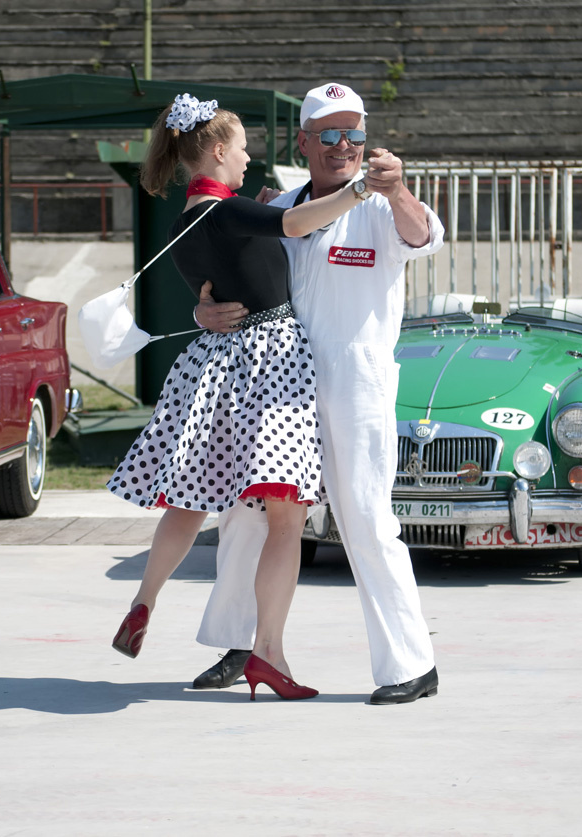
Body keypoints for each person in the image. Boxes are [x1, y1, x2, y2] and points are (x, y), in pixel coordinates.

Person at [107, 93, 368, 701]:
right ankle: (269, 652)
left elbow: (212, 291)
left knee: (191, 498)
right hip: (269, 364)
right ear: (219, 151)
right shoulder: (229, 213)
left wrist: (203, 310)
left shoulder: (182, 225)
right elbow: (298, 222)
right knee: (286, 516)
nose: (250, 161)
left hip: (212, 368)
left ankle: (145, 599)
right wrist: (360, 190)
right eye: (245, 150)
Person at [192, 82, 445, 704]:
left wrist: (399, 187)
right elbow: (226, 278)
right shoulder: (279, 206)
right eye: (329, 135)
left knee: (363, 515)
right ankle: (240, 645)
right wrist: (202, 314)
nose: (344, 146)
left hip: (356, 381)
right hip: (280, 380)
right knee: (247, 514)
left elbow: (424, 238)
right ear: (303, 142)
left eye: (354, 133)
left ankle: (411, 665)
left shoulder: (384, 207)